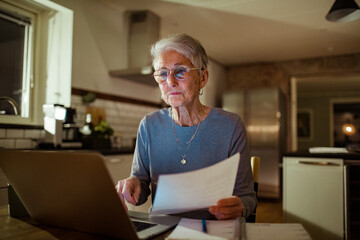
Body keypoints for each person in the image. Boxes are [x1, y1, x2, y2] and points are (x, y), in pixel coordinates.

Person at [116, 33, 256, 220]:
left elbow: (247, 197)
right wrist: (132, 185)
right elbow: (140, 192)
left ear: (203, 77)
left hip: (213, 229)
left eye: (180, 71)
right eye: (163, 73)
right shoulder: (149, 125)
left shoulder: (230, 126)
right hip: (162, 227)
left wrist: (239, 207)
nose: (171, 82)